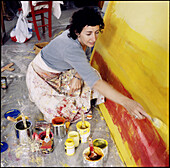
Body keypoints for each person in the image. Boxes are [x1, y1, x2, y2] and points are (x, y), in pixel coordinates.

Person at [26, 7, 150, 123]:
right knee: (61, 113)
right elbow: (95, 83)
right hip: (39, 77)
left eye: (96, 32)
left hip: (59, 72)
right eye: (89, 33)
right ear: (77, 31)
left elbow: (84, 58)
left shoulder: (79, 37)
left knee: (93, 74)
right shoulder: (70, 47)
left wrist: (78, 76)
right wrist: (127, 103)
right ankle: (41, 95)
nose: (94, 38)